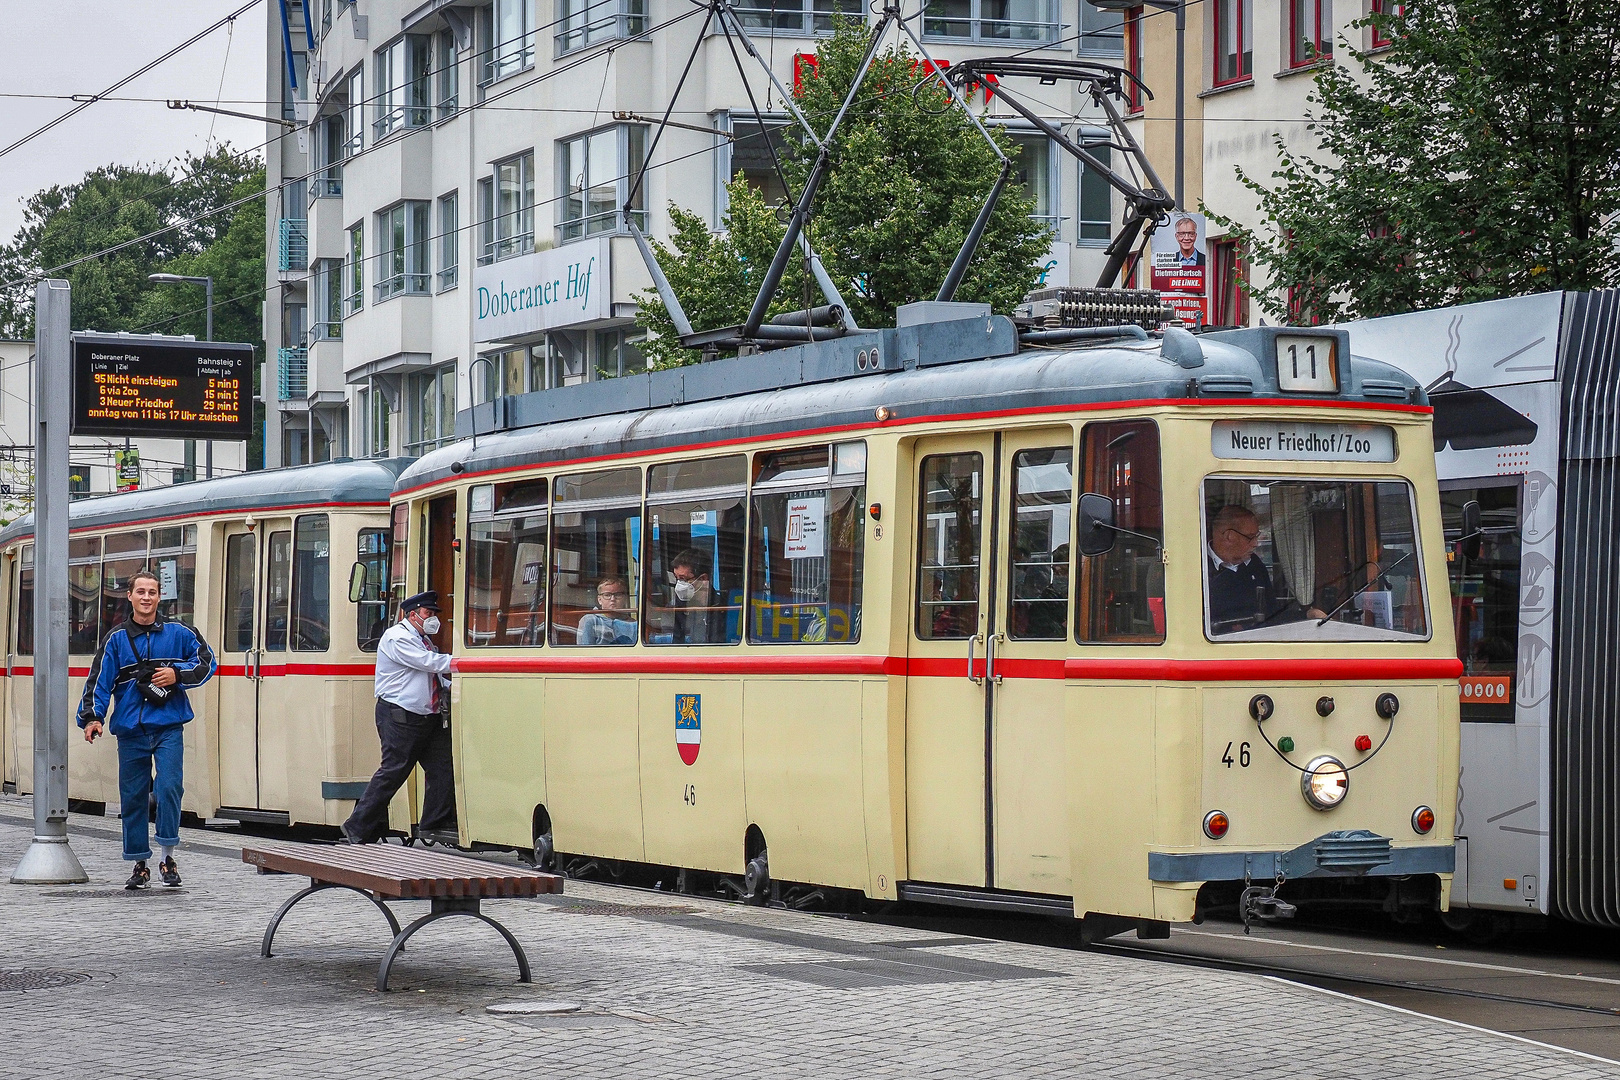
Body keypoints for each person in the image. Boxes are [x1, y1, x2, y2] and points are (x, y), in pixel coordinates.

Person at [77, 569, 217, 890]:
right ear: (130, 596)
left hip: (168, 727)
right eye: (140, 591)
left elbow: (206, 661)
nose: (146, 597)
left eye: (152, 592)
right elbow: (99, 682)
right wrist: (92, 717)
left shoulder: (180, 632)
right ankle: (140, 863)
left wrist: (176, 674)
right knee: (134, 798)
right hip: (130, 733)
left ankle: (168, 856)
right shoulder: (115, 640)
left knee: (169, 788)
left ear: (159, 597)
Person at [341, 590, 456, 844]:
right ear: (412, 614)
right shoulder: (397, 638)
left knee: (443, 767)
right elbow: (428, 663)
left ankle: (435, 822)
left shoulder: (422, 638)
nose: (432, 619)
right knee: (394, 771)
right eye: (428, 613)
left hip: (427, 716)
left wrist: (451, 687)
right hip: (400, 716)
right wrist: (463, 663)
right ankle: (357, 827)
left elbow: (431, 675)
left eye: (434, 614)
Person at [1207, 506, 1327, 632]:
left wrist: (1307, 616)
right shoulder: (1198, 567)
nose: (1256, 543)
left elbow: (1272, 616)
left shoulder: (1254, 564)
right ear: (1229, 536)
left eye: (1257, 536)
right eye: (1250, 537)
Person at [669, 548, 721, 644]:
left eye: (683, 578)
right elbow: (677, 640)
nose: (679, 584)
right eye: (677, 578)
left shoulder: (722, 606)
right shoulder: (680, 602)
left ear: (703, 578)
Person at [576, 578, 637, 644]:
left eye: (618, 594)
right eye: (607, 595)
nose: (613, 599)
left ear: (625, 598)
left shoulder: (633, 624)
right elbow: (585, 650)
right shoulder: (590, 620)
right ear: (599, 600)